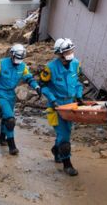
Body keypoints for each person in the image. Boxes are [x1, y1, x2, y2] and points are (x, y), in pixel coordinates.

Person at [40, 38, 83, 176]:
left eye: (71, 50)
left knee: (67, 132)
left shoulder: (76, 64)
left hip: (71, 105)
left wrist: (79, 96)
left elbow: (77, 82)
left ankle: (56, 150)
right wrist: (52, 100)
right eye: (67, 51)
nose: (70, 53)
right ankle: (67, 165)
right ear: (59, 54)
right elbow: (43, 86)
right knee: (64, 136)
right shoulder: (50, 68)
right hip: (56, 106)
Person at [0, 44, 41, 155]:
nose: (18, 61)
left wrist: (36, 87)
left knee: (5, 118)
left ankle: (2, 139)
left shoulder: (22, 67)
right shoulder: (1, 63)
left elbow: (29, 78)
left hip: (11, 95)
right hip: (0, 93)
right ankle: (12, 145)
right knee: (10, 120)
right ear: (12, 54)